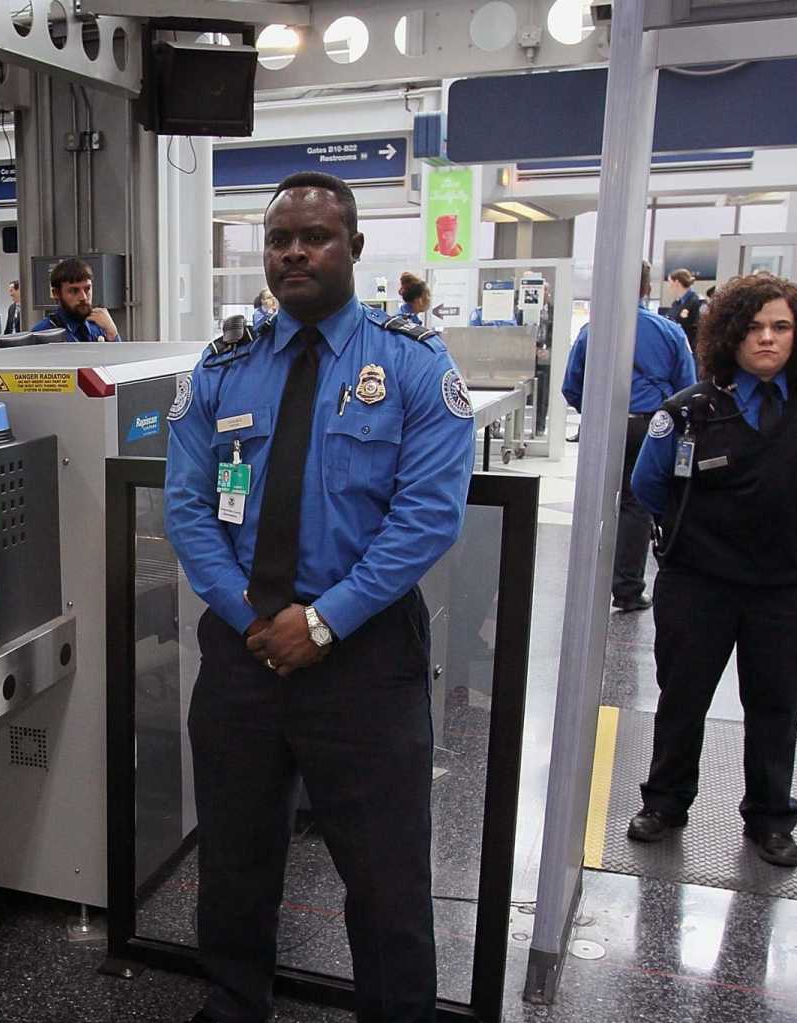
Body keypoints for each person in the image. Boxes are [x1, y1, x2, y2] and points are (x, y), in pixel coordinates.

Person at [165, 171, 474, 1023]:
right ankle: (232, 1006)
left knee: (384, 875)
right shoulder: (224, 364)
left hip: (365, 657)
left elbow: (428, 515)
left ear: (355, 248)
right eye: (279, 240)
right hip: (243, 653)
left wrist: (325, 620)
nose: (295, 251)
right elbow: (188, 506)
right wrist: (252, 617)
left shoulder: (410, 362)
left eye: (316, 237)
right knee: (233, 858)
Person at [626, 272, 797, 869]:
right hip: (700, 583)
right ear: (730, 334)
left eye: (781, 327)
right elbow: (649, 486)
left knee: (776, 704)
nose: (767, 339)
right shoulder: (688, 413)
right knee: (682, 698)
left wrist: (784, 524)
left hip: (789, 586)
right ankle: (666, 803)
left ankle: (770, 817)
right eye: (754, 327)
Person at [560, 261, 697, 612]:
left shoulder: (593, 332)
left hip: (604, 424)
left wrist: (594, 412)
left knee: (596, 502)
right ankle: (628, 589)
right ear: (646, 288)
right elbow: (688, 391)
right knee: (637, 505)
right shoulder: (669, 332)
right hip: (651, 427)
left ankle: (584, 586)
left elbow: (571, 387)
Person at [31, 258, 120, 342]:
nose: (83, 297)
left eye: (87, 289)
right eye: (74, 291)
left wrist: (112, 333)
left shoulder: (99, 326)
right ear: (56, 293)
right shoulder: (42, 333)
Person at [665, 269, 703, 354]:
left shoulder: (696, 302)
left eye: (670, 283)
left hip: (690, 349)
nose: (669, 287)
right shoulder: (676, 303)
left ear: (677, 283)